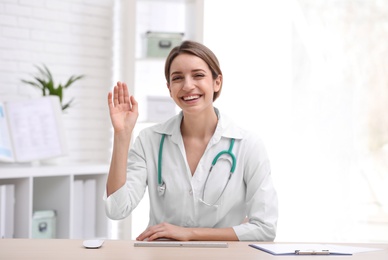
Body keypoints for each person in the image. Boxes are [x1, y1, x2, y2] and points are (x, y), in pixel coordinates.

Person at [104, 40, 278, 241]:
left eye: (198, 75)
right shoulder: (149, 140)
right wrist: (122, 135)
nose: (187, 85)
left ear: (217, 82)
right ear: (169, 88)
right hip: (163, 257)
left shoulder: (248, 145)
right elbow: (117, 210)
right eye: (177, 78)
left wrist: (189, 234)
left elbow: (265, 229)